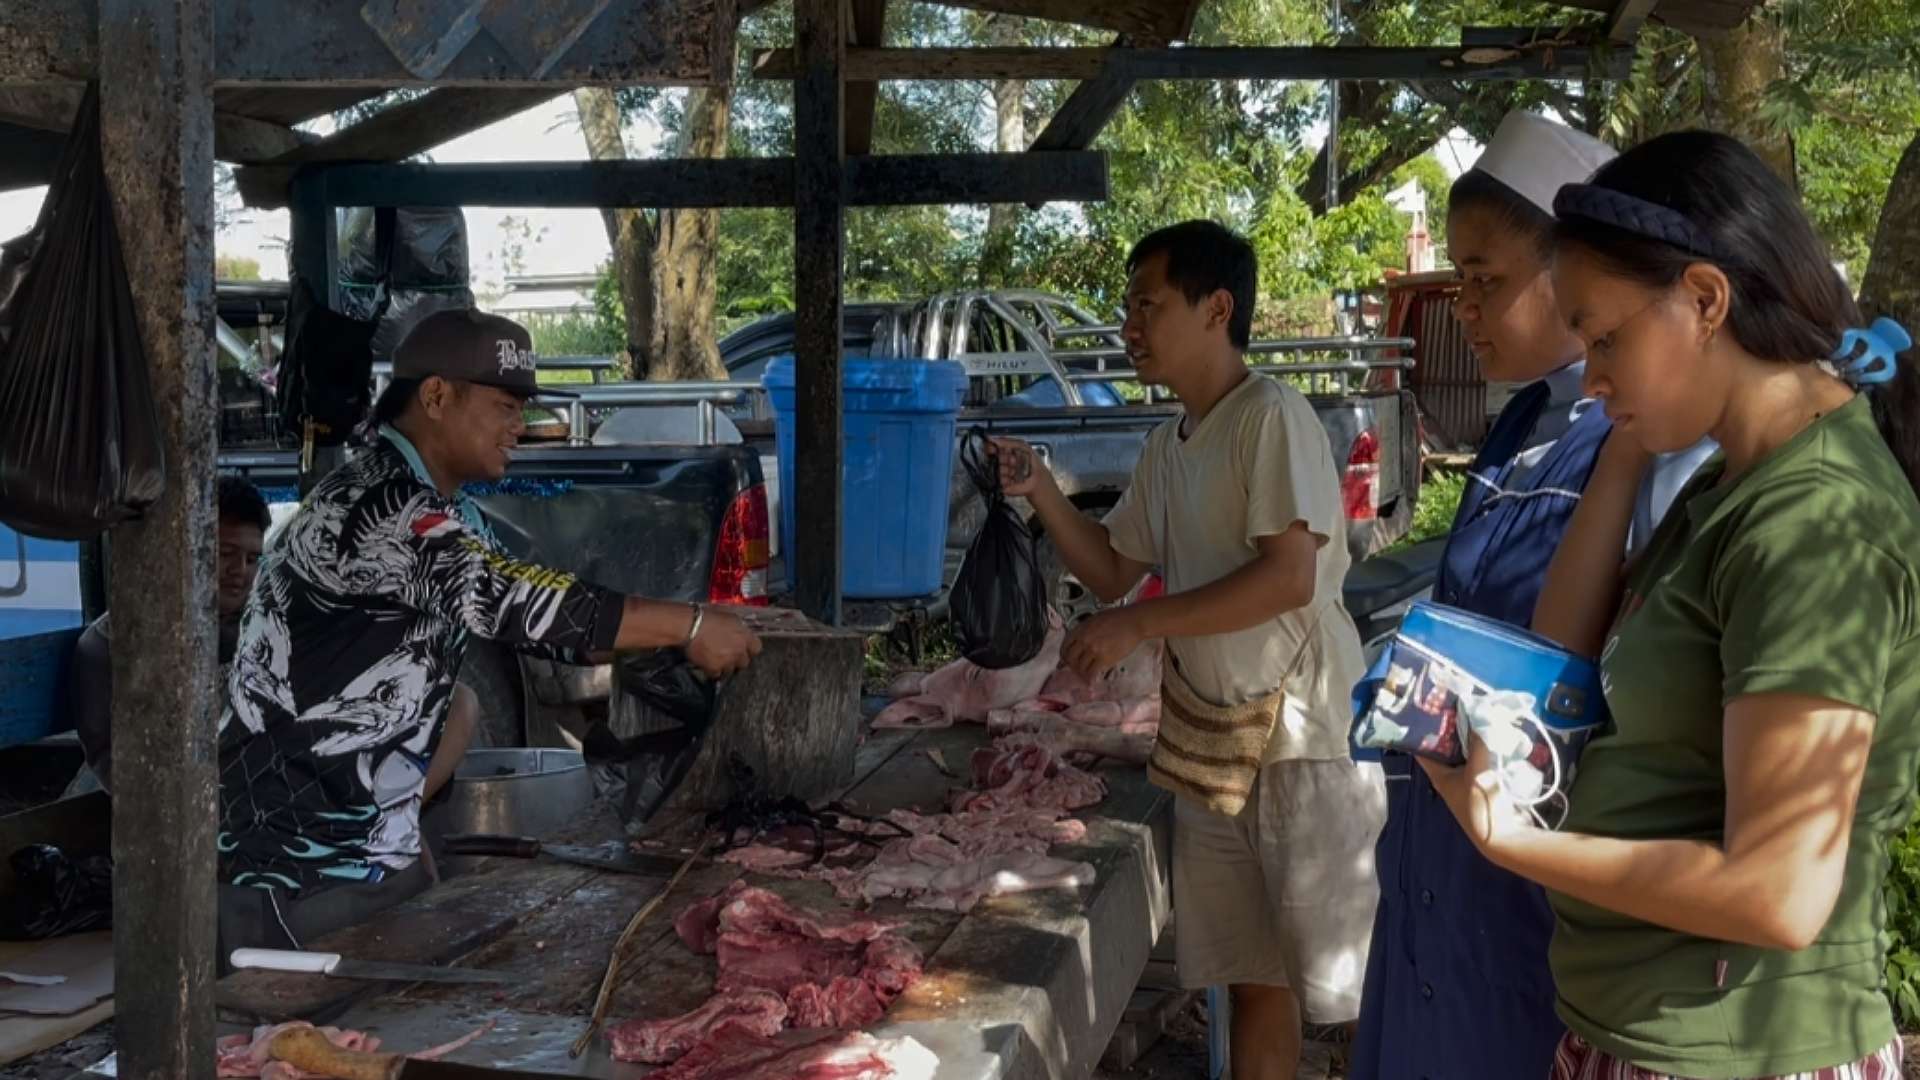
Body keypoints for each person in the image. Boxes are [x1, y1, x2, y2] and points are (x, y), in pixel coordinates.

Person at [1423, 130, 1920, 1079]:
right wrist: (1623, 444)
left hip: (1739, 1052)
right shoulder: (1731, 483)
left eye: (1605, 339)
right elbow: (1558, 663)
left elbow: (1780, 894)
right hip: (1641, 1032)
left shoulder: (1815, 522)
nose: (1592, 374)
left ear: (1704, 299)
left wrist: (1514, 840)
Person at [216, 307, 762, 956]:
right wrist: (691, 624)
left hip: (360, 851)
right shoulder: (378, 506)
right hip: (293, 867)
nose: (519, 427)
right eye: (505, 406)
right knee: (296, 1051)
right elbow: (517, 600)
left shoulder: (447, 509)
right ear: (437, 397)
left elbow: (551, 628)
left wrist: (673, 637)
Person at [1351, 113, 1713, 1080]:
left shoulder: (1649, 446)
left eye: (1488, 281)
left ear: (1580, 279)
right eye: (1459, 279)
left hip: (1536, 887)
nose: (1463, 308)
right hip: (1444, 857)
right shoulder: (1518, 426)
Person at [992, 221, 1383, 1080]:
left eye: (1147, 304)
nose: (1130, 325)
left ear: (1217, 309)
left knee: (1354, 995)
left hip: (1303, 746)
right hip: (1214, 750)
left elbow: (1288, 577)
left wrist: (1142, 625)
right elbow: (1108, 569)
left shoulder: (1268, 417)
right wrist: (1041, 490)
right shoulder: (1168, 446)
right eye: (1127, 306)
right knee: (1253, 982)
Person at [64, 477, 272, 797]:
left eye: (252, 559)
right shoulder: (112, 645)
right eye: (226, 553)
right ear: (189, 547)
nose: (240, 571)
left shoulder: (263, 628)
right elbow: (115, 766)